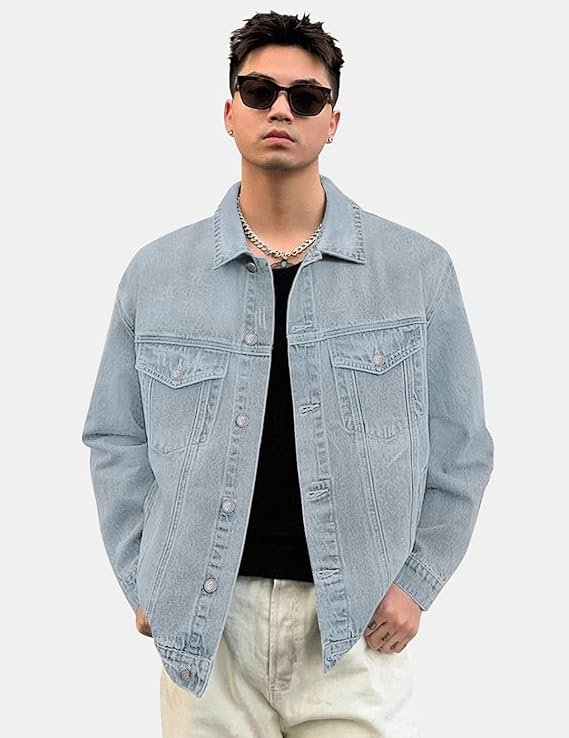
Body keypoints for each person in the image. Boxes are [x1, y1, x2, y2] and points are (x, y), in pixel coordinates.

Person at [82, 10, 494, 737]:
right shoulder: (157, 274)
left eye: (304, 97)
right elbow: (115, 438)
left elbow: (461, 447)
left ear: (332, 121)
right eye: (259, 91)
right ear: (229, 112)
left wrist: (418, 582)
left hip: (356, 630)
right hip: (205, 633)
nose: (280, 109)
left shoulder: (415, 271)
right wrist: (143, 576)